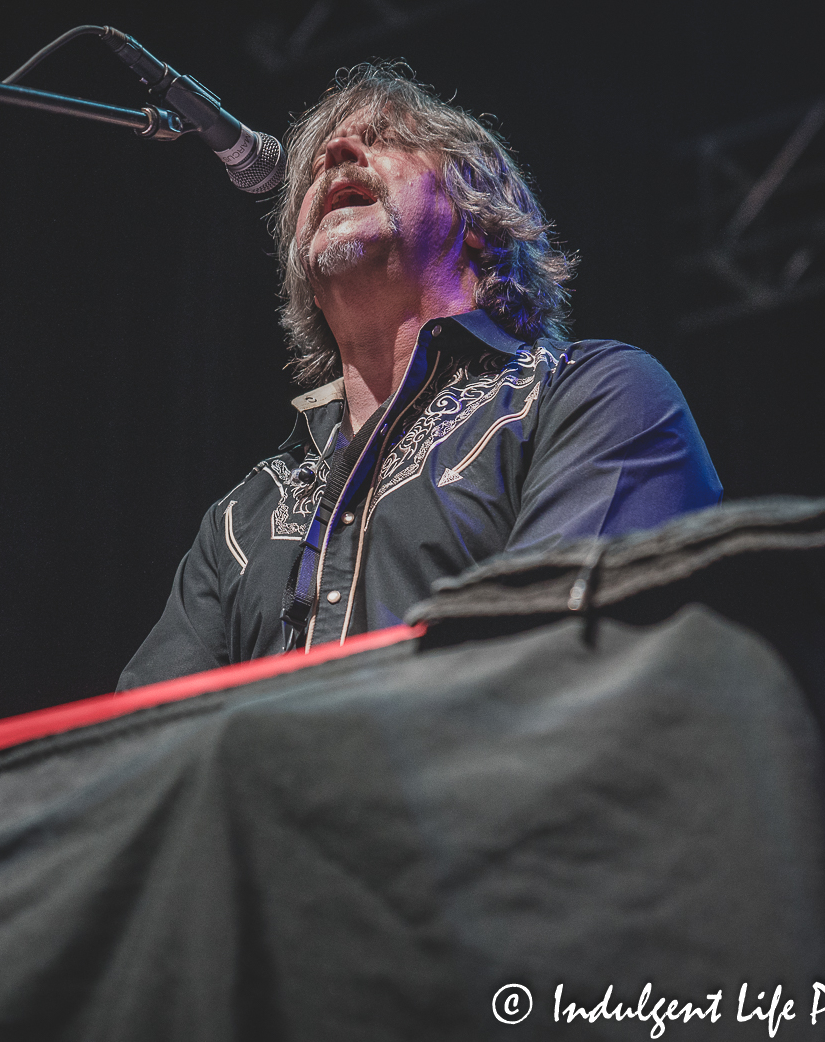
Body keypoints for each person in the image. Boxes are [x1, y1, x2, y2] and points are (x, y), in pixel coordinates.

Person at [116, 63, 722, 691]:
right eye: (315, 166)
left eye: (385, 138)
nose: (336, 151)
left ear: (482, 220)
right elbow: (139, 752)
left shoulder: (590, 395)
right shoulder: (239, 521)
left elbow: (552, 671)